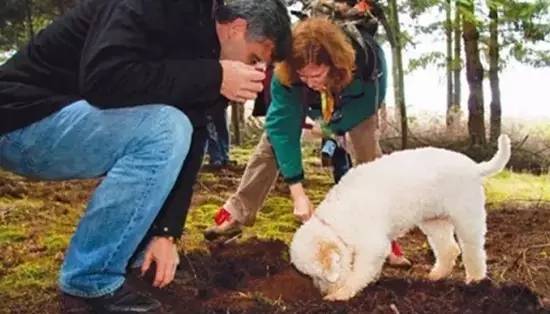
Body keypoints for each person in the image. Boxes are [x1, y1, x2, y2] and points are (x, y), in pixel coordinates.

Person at [0, 0, 291, 312]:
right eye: (254, 59)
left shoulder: (206, 52)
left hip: (70, 124)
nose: (256, 73)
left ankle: (136, 256)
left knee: (172, 128)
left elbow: (191, 140)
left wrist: (167, 233)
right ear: (237, 29)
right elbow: (103, 79)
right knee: (165, 128)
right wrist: (213, 75)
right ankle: (89, 281)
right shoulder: (154, 7)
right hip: (21, 121)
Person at [205, 15, 411, 266]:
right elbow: (282, 129)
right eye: (304, 76)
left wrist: (328, 127)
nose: (311, 82)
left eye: (317, 75)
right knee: (271, 143)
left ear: (334, 65)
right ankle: (238, 212)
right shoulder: (288, 73)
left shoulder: (368, 61)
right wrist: (298, 193)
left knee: (370, 158)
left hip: (353, 105)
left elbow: (369, 105)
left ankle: (384, 235)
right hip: (308, 105)